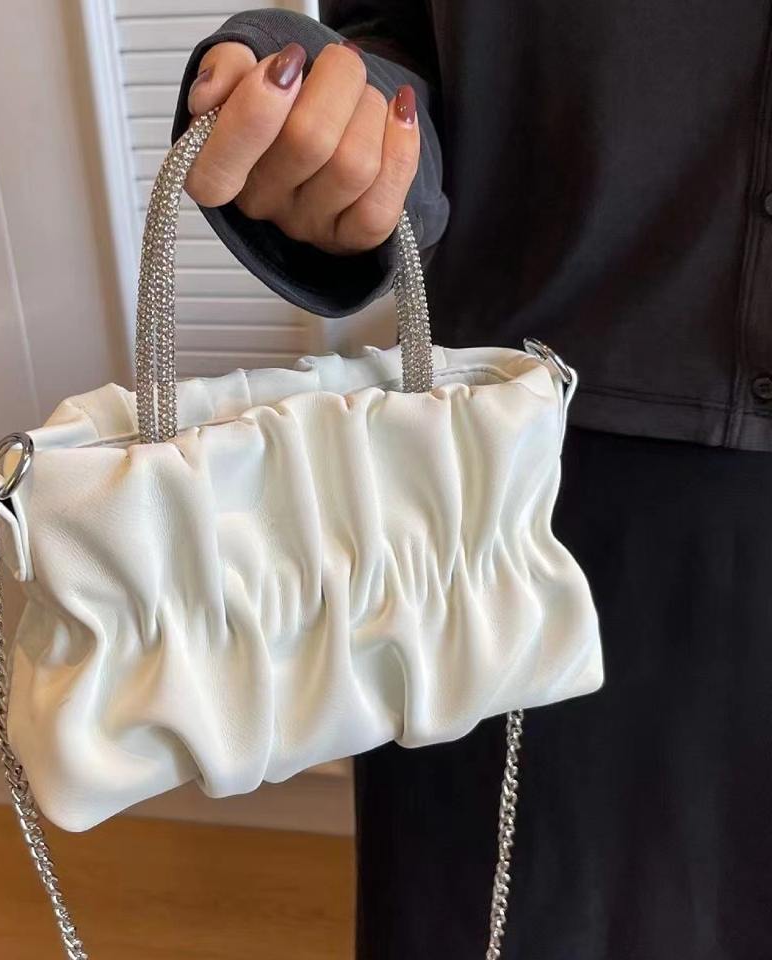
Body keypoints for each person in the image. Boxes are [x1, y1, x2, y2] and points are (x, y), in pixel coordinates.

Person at [172, 4, 772, 958]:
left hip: (514, 478)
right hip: (510, 493)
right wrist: (337, 115)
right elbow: (397, 47)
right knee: (498, 910)